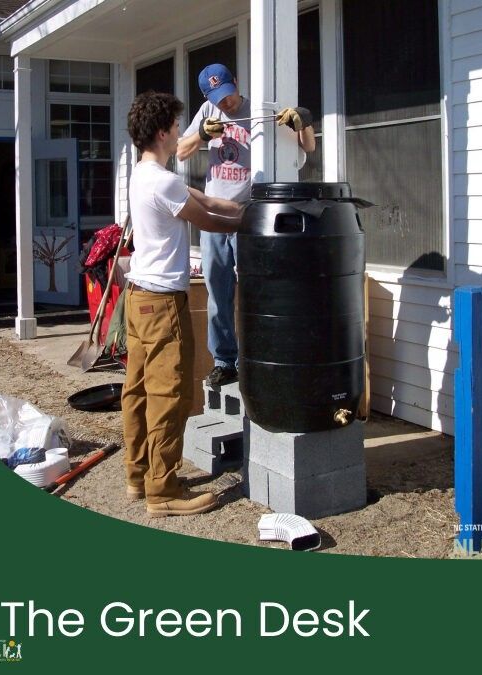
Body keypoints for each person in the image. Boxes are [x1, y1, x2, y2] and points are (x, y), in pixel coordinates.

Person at [124, 91, 242, 516]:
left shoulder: (142, 173)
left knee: (137, 389)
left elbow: (207, 200)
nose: (181, 131)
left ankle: (138, 475)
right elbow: (208, 218)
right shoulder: (164, 181)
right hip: (161, 304)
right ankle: (164, 492)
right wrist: (251, 222)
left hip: (137, 298)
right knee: (170, 394)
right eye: (176, 126)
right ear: (161, 132)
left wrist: (246, 205)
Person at [177, 63, 315, 387]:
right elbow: (181, 153)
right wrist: (200, 134)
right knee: (217, 292)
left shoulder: (261, 110)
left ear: (236, 83)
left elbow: (307, 146)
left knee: (256, 291)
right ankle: (225, 362)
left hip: (248, 214)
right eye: (219, 98)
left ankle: (259, 359)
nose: (226, 103)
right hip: (213, 217)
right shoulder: (208, 111)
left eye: (229, 94)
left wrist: (303, 120)